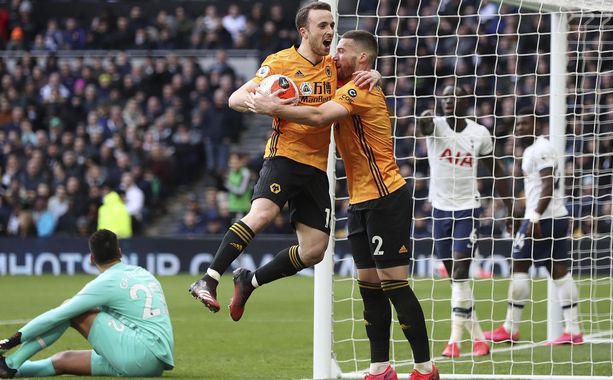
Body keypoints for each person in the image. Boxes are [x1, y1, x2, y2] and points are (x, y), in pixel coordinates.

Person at [247, 30, 439, 380]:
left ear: (362, 59)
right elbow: (315, 86)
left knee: (394, 285)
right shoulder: (347, 81)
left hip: (386, 196)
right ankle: (380, 368)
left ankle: (425, 369)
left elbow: (320, 117)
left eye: (342, 50)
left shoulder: (362, 88)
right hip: (361, 201)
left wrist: (275, 107)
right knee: (368, 288)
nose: (334, 55)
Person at [188, 1, 380, 321]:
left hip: (317, 167)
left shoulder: (333, 65)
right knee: (262, 214)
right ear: (304, 32)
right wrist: (260, 103)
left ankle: (250, 281)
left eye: (332, 25)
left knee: (315, 250)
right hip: (285, 155)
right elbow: (235, 98)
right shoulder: (280, 63)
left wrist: (374, 72)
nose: (330, 31)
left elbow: (363, 71)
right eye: (323, 26)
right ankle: (208, 278)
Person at [0, 229, 174, 378]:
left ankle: (11, 362)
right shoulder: (143, 273)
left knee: (72, 309)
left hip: (138, 354)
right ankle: (9, 370)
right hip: (154, 362)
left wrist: (9, 342)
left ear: (91, 258)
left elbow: (55, 316)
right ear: (120, 252)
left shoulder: (106, 281)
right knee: (64, 360)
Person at [418, 86, 513, 358]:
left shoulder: (479, 134)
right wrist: (425, 116)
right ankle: (479, 338)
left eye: (454, 96)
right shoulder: (435, 127)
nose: (448, 100)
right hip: (439, 211)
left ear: (465, 102)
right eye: (444, 97)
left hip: (467, 209)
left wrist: (511, 208)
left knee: (459, 272)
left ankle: (453, 342)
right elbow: (424, 126)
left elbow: (497, 170)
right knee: (456, 280)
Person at [484, 109, 583, 345]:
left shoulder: (540, 149)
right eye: (518, 125)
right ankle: (573, 330)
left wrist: (535, 217)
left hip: (543, 219)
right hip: (553, 216)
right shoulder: (533, 149)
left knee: (519, 265)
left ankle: (510, 328)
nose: (519, 128)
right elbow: (538, 189)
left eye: (525, 124)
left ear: (538, 125)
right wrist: (517, 213)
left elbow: (548, 185)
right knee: (558, 270)